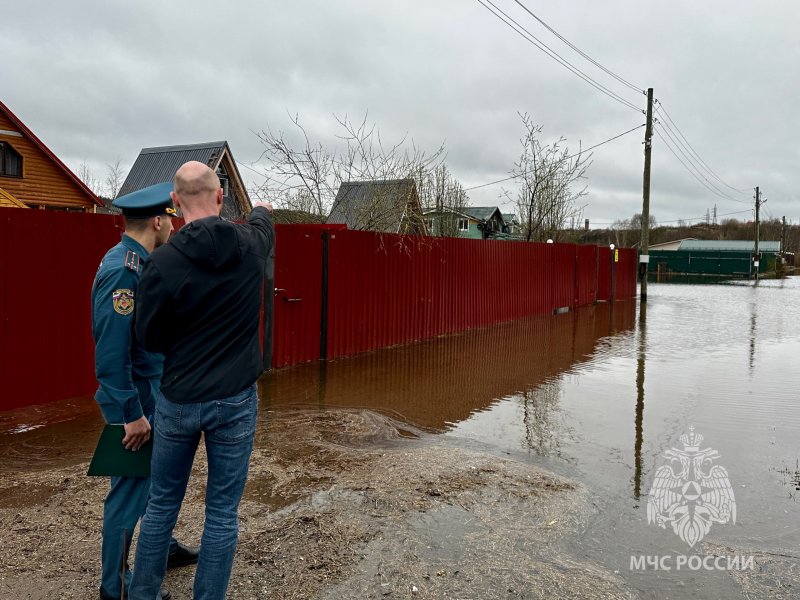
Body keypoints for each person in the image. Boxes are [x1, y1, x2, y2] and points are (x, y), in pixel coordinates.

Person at [128, 162, 275, 600]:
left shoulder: (163, 262)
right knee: (222, 513)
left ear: (174, 203)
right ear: (220, 198)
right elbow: (264, 221)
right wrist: (264, 209)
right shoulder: (252, 244)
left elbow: (147, 337)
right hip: (235, 401)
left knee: (161, 507)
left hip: (178, 399)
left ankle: (143, 594)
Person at [91, 182, 199, 600]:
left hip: (150, 393)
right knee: (130, 490)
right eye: (170, 217)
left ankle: (163, 550)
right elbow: (112, 355)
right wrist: (131, 413)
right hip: (133, 401)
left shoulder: (138, 262)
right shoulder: (123, 270)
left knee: (159, 482)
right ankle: (114, 589)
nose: (173, 224)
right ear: (157, 220)